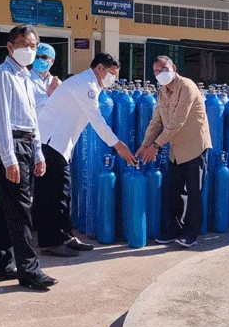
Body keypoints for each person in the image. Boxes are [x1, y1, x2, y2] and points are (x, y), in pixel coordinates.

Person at [34, 53, 136, 256]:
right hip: (51, 143)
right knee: (53, 195)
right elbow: (97, 120)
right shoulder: (85, 86)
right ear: (100, 69)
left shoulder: (89, 84)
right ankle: (50, 242)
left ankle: (65, 236)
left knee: (63, 193)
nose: (113, 78)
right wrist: (118, 145)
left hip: (59, 144)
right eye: (112, 73)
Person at [0, 25, 56, 290]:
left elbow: (32, 118)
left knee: (6, 207)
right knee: (21, 208)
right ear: (10, 46)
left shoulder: (26, 77)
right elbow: (0, 119)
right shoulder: (1, 76)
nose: (29, 50)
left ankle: (0, 265)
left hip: (26, 142)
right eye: (24, 44)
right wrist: (9, 158)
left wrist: (38, 151)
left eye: (33, 46)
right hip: (10, 144)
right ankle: (29, 269)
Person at [136, 56, 212, 248]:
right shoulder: (162, 91)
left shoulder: (187, 87)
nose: (160, 74)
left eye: (163, 69)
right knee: (174, 192)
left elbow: (177, 121)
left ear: (173, 68)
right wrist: (145, 144)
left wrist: (156, 146)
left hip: (194, 146)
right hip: (176, 149)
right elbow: (157, 121)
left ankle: (191, 234)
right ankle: (174, 230)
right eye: (156, 71)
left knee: (194, 193)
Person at [30, 42, 61, 115]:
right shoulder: (24, 79)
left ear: (52, 61)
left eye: (44, 57)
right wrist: (48, 96)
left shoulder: (57, 83)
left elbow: (62, 107)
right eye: (37, 57)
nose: (39, 59)